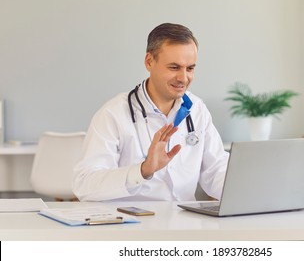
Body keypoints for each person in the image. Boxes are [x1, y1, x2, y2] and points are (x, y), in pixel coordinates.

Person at [73, 23, 229, 201]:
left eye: (190, 68)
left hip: (186, 223)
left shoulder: (197, 109)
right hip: (135, 225)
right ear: (149, 61)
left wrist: (248, 194)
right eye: (174, 67)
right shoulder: (114, 113)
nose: (183, 78)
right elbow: (84, 185)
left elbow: (216, 171)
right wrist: (142, 170)